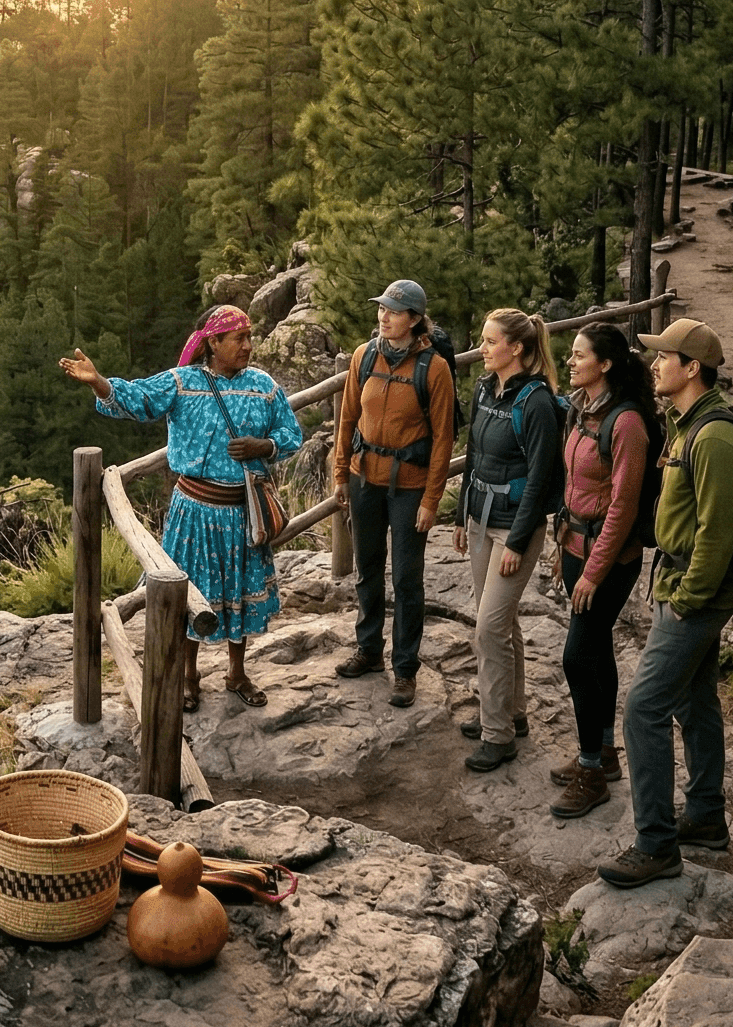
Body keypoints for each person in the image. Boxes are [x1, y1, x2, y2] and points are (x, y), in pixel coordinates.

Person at [59, 305, 305, 709]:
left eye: (249, 337)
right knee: (191, 592)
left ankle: (237, 672)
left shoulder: (263, 387)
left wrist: (265, 446)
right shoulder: (183, 383)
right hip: (195, 512)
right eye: (238, 339)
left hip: (243, 510)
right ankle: (189, 677)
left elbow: (290, 434)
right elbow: (138, 399)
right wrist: (99, 383)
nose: (248, 346)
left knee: (239, 591)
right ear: (213, 343)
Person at [599, 318, 733, 889]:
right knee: (693, 700)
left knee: (642, 709)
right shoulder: (689, 425)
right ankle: (705, 816)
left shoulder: (716, 438)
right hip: (679, 583)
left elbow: (716, 533)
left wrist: (685, 600)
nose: (654, 364)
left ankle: (656, 843)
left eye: (665, 357)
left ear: (692, 369)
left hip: (694, 592)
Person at [332, 279, 458, 709]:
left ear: (415, 319)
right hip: (365, 477)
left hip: (409, 487)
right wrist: (339, 476)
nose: (383, 316)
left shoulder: (434, 368)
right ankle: (368, 651)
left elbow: (444, 438)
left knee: (406, 579)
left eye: (393, 310)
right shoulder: (363, 357)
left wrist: (430, 500)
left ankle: (404, 669)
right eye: (381, 308)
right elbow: (347, 419)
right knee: (367, 568)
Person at [550, 322, 656, 818]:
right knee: (596, 651)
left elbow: (623, 506)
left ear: (605, 364)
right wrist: (563, 546)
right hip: (576, 547)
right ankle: (606, 753)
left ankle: (591, 771)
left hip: (610, 560)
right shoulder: (582, 410)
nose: (570, 362)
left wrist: (593, 571)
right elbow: (575, 484)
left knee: (577, 656)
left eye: (579, 356)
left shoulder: (627, 423)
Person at [455, 309, 563, 772]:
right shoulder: (485, 389)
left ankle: (497, 735)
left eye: (489, 340)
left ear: (515, 348)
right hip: (480, 519)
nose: (482, 347)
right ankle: (512, 713)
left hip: (515, 527)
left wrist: (519, 542)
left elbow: (540, 479)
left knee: (488, 629)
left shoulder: (536, 403)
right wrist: (461, 516)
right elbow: (474, 456)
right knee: (500, 623)